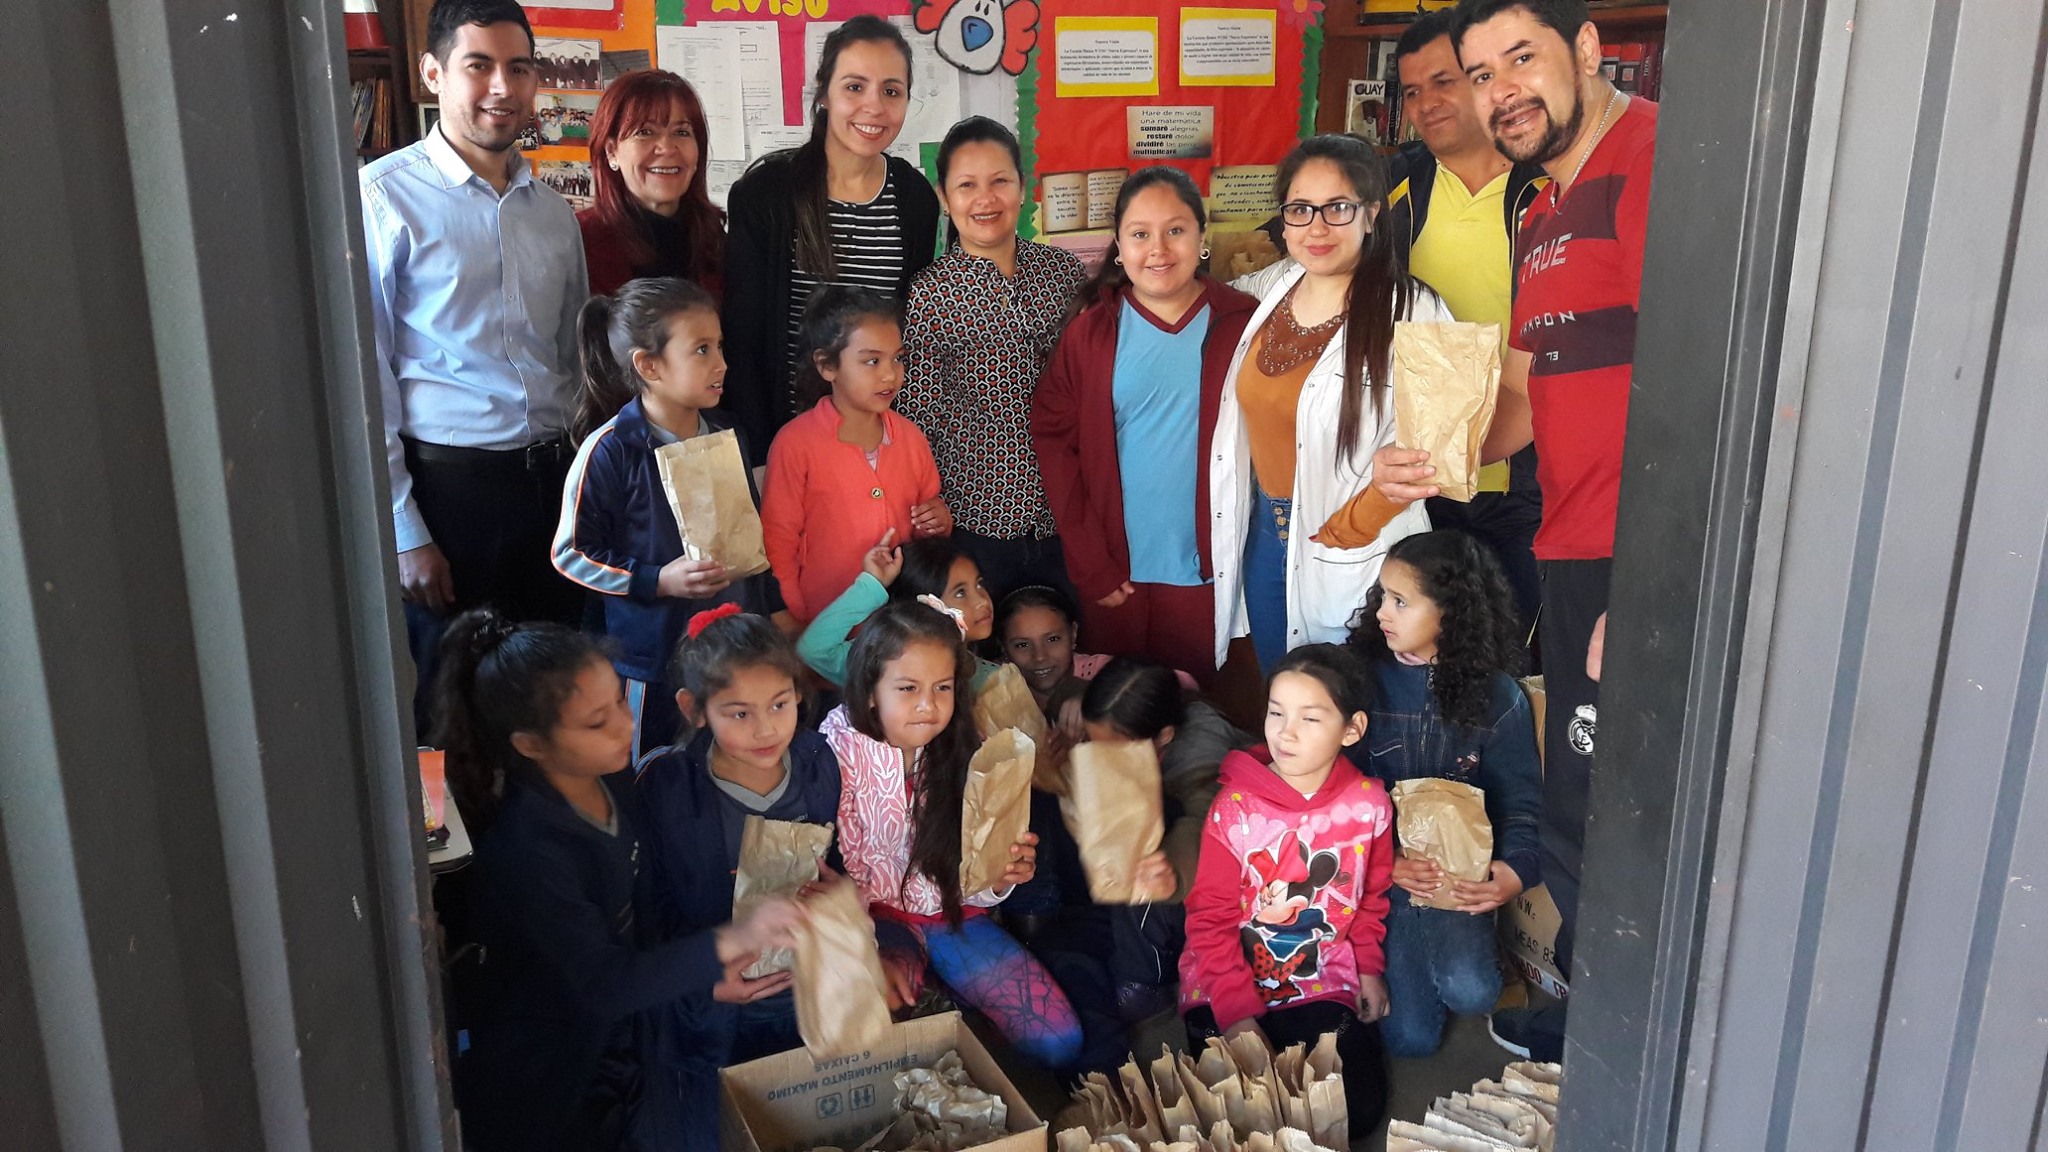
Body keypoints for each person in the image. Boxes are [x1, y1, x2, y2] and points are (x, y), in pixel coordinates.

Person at [1373, 0, 1660, 1061]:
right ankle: (1591, 1013)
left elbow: (1713, 386)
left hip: (1638, 556)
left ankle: (1624, 1040)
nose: (1501, 91)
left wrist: (1650, 585)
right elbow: (1528, 397)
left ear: (1586, 51)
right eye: (1479, 72)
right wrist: (1430, 452)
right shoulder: (1539, 210)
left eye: (1522, 59)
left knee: (1621, 800)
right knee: (1585, 796)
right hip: (1570, 536)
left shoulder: (1654, 164)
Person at [432, 608, 800, 1152]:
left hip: (623, 1037)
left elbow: (643, 898)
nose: (626, 727)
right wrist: (732, 940)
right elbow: (603, 984)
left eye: (618, 704)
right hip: (550, 1069)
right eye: (596, 721)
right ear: (531, 744)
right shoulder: (528, 849)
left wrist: (700, 977)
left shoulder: (610, 771)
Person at [362, 0, 589, 731]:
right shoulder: (383, 197)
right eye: (478, 66)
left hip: (551, 491)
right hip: (452, 496)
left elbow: (574, 359)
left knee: (552, 701)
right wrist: (405, 529)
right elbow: (366, 378)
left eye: (518, 68)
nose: (502, 87)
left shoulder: (552, 213)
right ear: (433, 74)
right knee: (456, 715)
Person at [1212, 136, 1454, 675]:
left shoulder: (1416, 310)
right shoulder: (1269, 287)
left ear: (1371, 214)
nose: (1316, 228)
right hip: (1265, 543)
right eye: (1299, 210)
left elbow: (1441, 453)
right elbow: (1186, 294)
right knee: (1290, 694)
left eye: (1337, 208)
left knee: (1353, 706)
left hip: (1358, 544)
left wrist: (1352, 527)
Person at [821, 600, 1084, 1068]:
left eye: (942, 687)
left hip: (955, 917)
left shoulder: (975, 748)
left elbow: (980, 875)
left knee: (1058, 1040)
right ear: (868, 692)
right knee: (877, 1031)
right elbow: (828, 872)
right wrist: (867, 949)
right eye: (907, 688)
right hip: (868, 925)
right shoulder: (832, 753)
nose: (928, 705)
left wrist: (1002, 874)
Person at [1032, 168, 1259, 686]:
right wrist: (1091, 560)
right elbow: (1055, 443)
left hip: (1210, 571)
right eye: (1140, 234)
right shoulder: (1091, 334)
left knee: (1195, 714)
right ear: (1118, 246)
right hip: (1117, 574)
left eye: (1175, 230)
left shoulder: (1243, 322)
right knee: (1118, 720)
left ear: (1203, 238)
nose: (1157, 249)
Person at [552, 278, 782, 760]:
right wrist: (657, 580)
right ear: (648, 365)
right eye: (701, 349)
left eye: (719, 346)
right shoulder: (610, 449)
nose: (721, 363)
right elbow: (570, 555)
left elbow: (750, 536)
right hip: (652, 660)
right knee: (653, 772)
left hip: (729, 651)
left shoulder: (728, 432)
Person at [634, 606, 839, 1145]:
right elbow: (648, 907)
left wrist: (843, 901)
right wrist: (702, 978)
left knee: (795, 1125)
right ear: (695, 709)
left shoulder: (819, 764)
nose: (766, 727)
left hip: (802, 997)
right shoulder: (668, 785)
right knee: (714, 1126)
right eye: (738, 713)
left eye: (778, 704)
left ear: (798, 692)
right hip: (710, 1003)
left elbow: (837, 864)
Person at [1179, 643, 1393, 1134]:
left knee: (1353, 1113)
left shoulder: (1370, 806)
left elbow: (1371, 897)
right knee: (1243, 1116)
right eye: (1276, 713)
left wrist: (1368, 969)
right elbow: (1208, 920)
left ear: (1352, 729)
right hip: (1225, 981)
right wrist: (1235, 1016)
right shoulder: (1233, 810)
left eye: (1310, 718)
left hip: (1319, 977)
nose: (1285, 732)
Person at [1343, 530, 1541, 1058]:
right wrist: (1386, 862)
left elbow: (1523, 803)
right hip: (1379, 878)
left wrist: (1513, 872)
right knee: (1410, 1040)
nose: (1383, 612)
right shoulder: (1358, 683)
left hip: (1458, 877)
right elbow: (1329, 799)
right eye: (1382, 596)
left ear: (1450, 615)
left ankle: (1465, 946)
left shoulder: (1499, 699)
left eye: (1401, 602)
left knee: (1475, 992)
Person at [1385, 11, 1547, 646]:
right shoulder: (1395, 189)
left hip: (1527, 479)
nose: (1427, 104)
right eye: (1412, 91)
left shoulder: (1547, 189)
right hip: (1422, 479)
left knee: (1511, 654)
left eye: (1443, 81)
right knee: (1419, 654)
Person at [723, 16, 943, 463]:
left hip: (876, 446)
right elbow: (743, 343)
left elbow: (908, 335)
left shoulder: (916, 199)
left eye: (891, 91)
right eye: (854, 87)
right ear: (824, 93)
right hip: (786, 445)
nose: (874, 107)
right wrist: (761, 458)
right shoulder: (766, 193)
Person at [897, 118, 1086, 598]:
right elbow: (916, 417)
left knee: (1065, 653)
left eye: (1000, 181)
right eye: (967, 185)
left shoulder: (1062, 272)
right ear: (944, 196)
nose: (985, 199)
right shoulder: (930, 294)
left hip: (1066, 512)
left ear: (1023, 188)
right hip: (974, 522)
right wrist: (928, 503)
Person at [760, 286, 951, 625]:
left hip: (899, 626)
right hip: (823, 624)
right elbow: (778, 544)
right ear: (827, 366)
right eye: (872, 361)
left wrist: (938, 521)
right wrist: (793, 622)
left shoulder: (910, 438)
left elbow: (928, 523)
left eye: (898, 358)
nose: (890, 374)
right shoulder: (795, 444)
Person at [578, 69, 725, 298]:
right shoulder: (580, 240)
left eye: (682, 132)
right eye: (645, 132)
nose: (666, 147)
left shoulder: (714, 238)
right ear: (611, 152)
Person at [797, 535, 1000, 690]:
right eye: (960, 592)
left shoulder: (995, 679)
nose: (982, 601)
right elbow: (814, 648)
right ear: (925, 605)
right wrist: (872, 586)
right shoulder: (881, 663)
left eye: (979, 584)